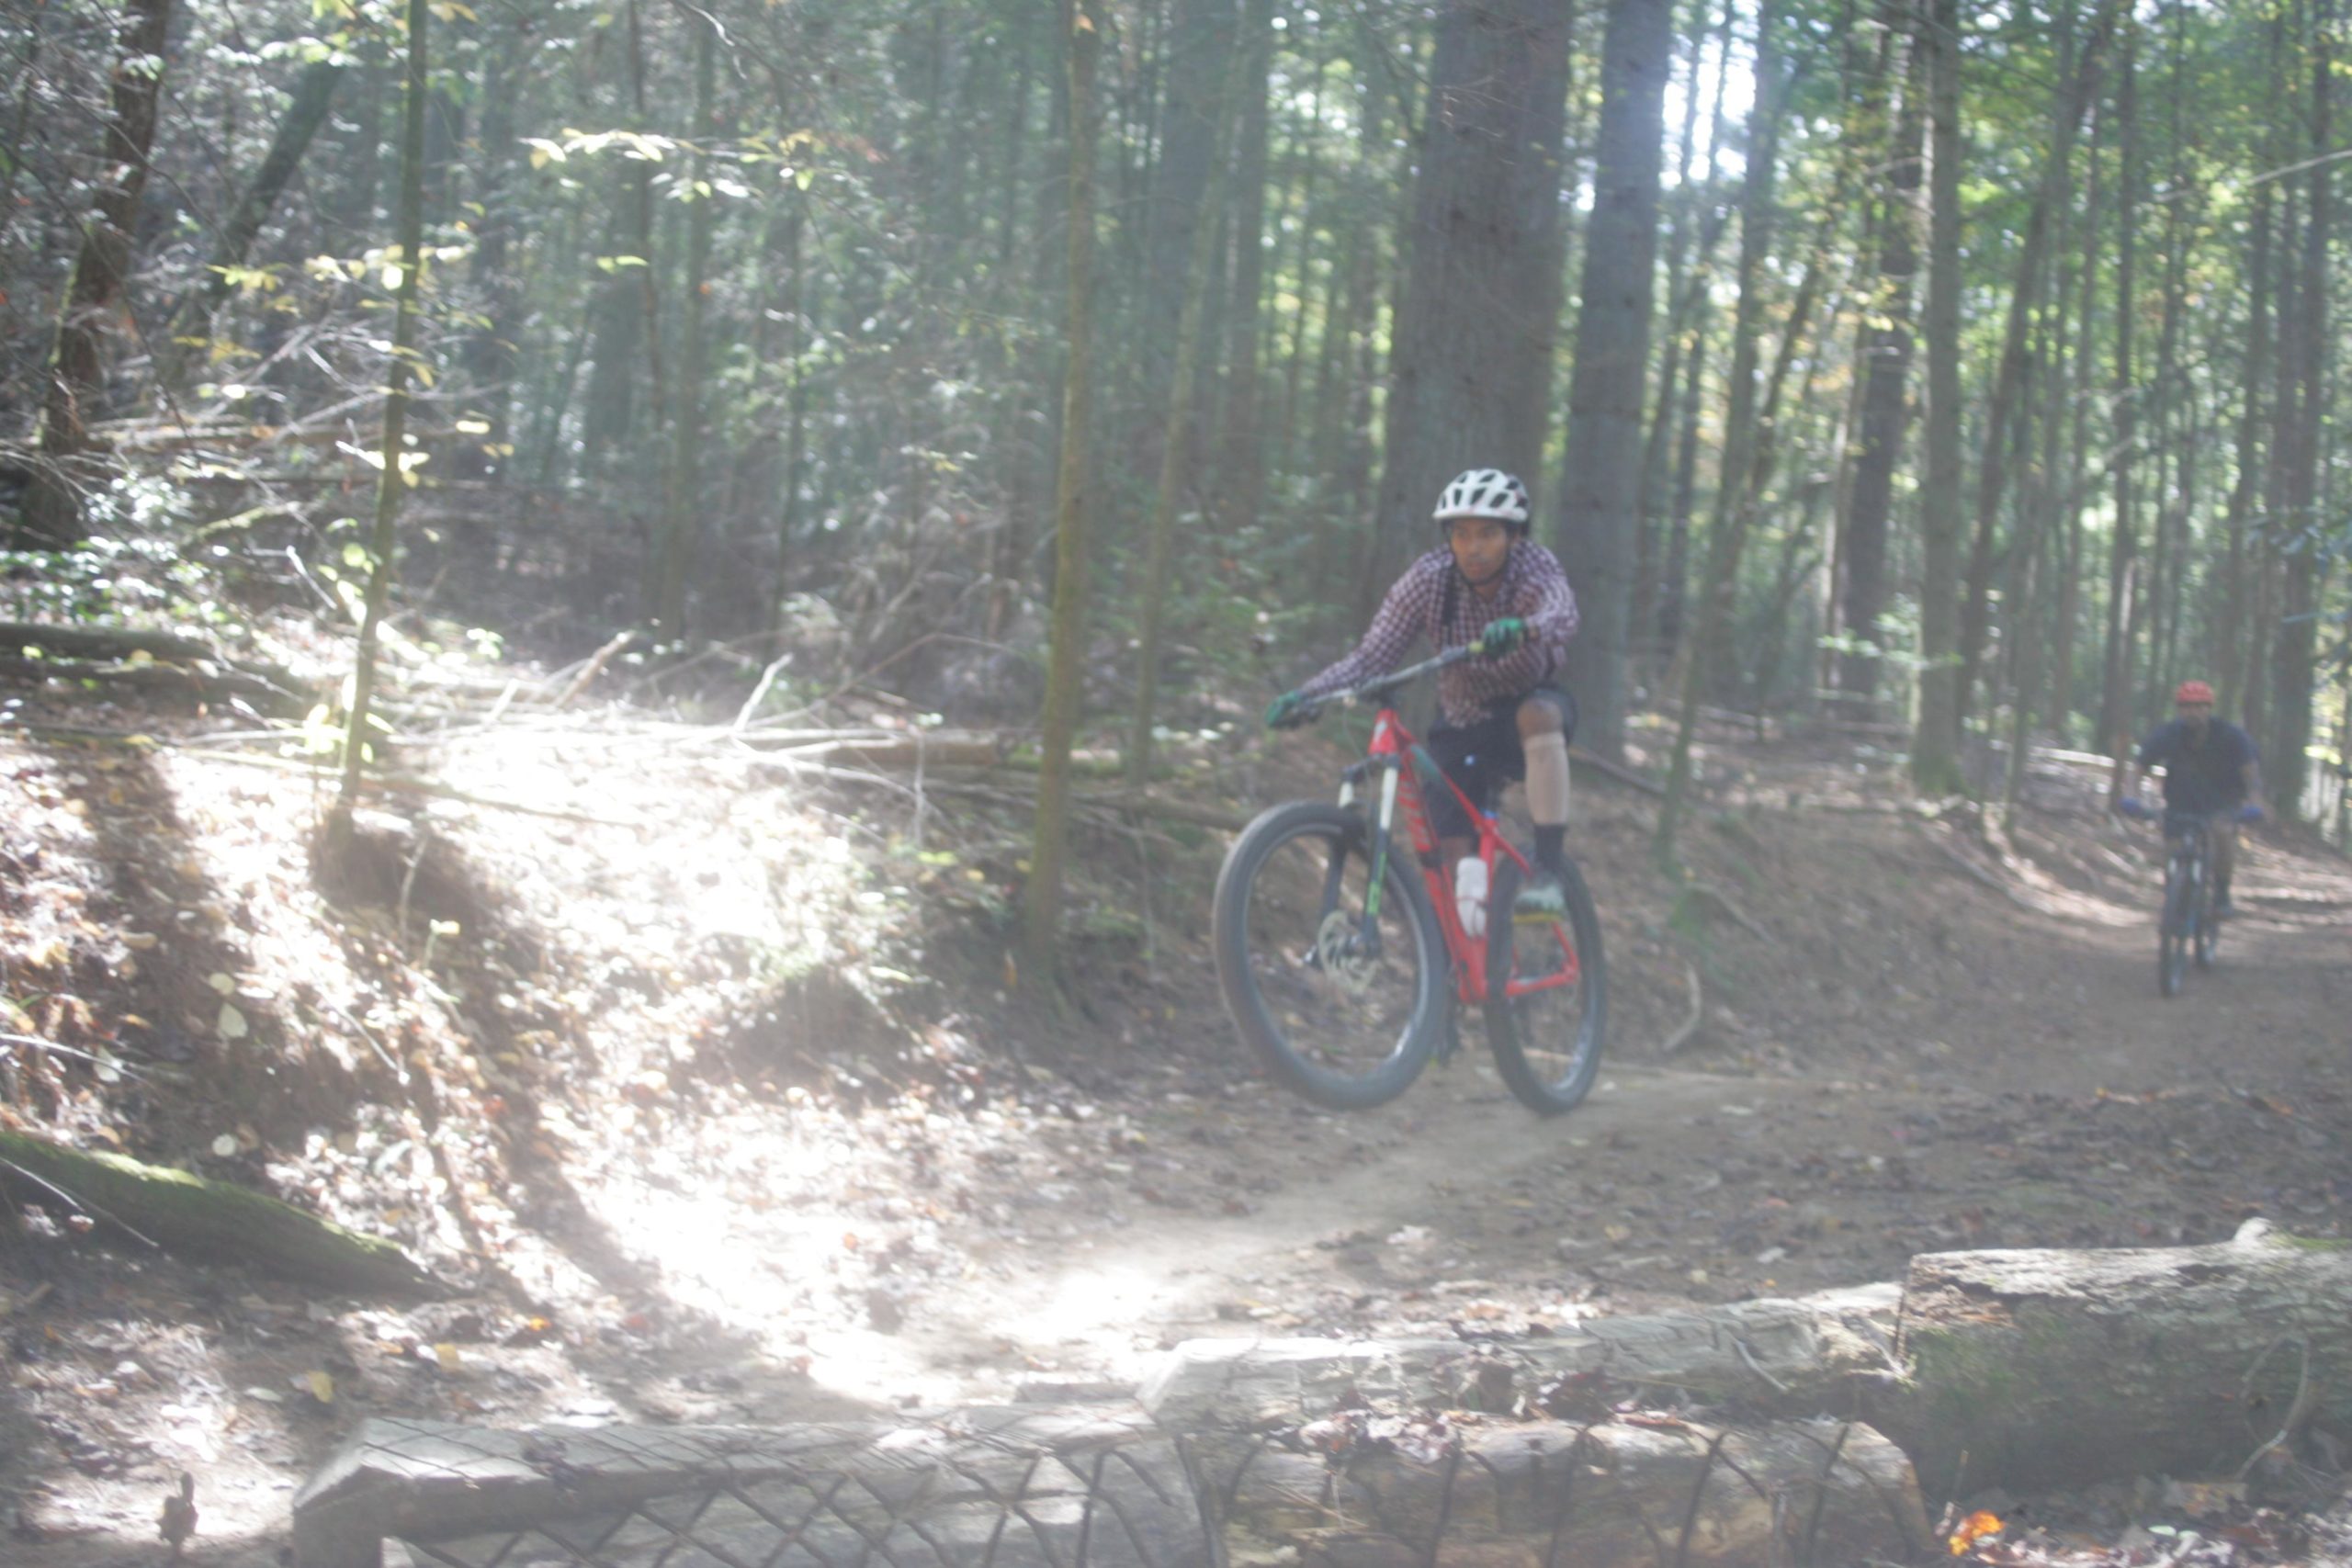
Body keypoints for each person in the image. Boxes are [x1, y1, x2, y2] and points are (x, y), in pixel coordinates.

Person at [1264, 468, 1580, 921]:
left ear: (1514, 537)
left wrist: (1526, 628)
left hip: (1527, 708)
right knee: (1449, 854)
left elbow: (1562, 612)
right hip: (1462, 720)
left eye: (1488, 534)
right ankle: (1460, 972)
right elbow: (1373, 656)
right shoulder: (1429, 580)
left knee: (1538, 714)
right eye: (1462, 534)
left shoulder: (1535, 566)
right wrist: (1308, 695)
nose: (1473, 548)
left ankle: (1548, 871)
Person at [2118, 679, 2266, 916]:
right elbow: (2137, 769)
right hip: (2181, 800)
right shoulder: (2168, 734)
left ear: (2209, 708)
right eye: (2187, 706)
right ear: (2179, 709)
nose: (2193, 712)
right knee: (2172, 850)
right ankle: (2174, 896)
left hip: (2222, 801)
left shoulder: (2231, 736)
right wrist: (2130, 797)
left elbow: (2251, 775)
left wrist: (2255, 804)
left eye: (2200, 706)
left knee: (2222, 834)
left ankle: (2221, 893)